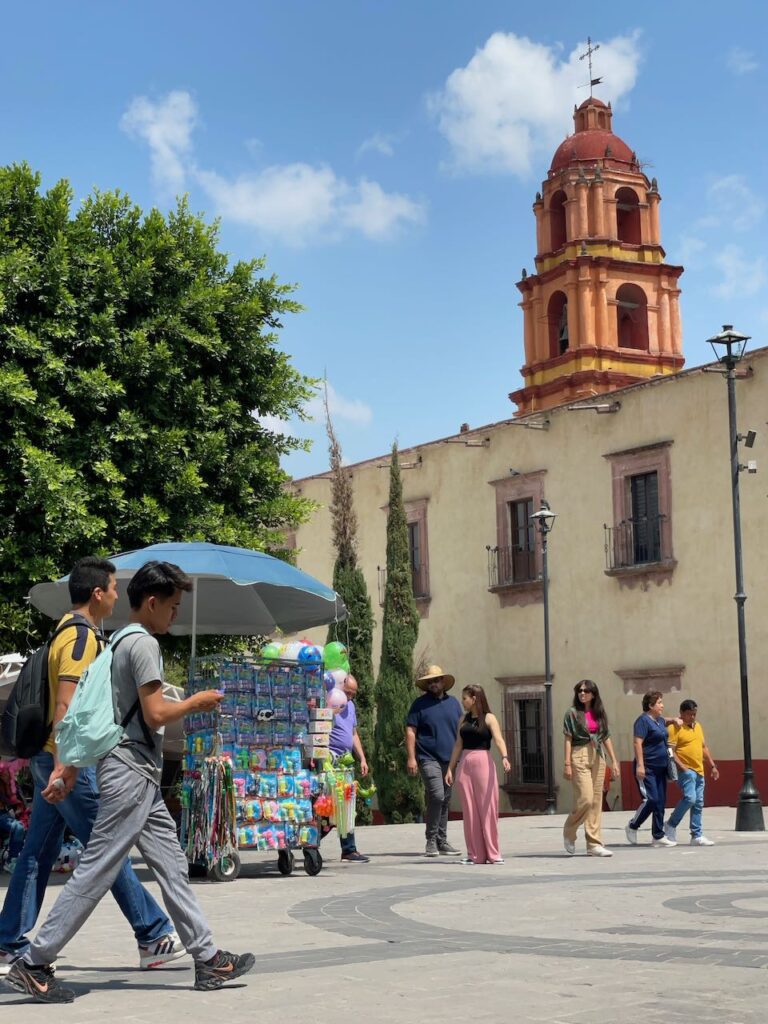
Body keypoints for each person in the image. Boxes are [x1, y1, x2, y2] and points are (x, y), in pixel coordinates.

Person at [6, 561, 255, 1004]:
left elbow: (98, 717)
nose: (175, 615)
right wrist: (195, 702)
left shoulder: (117, 640)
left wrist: (72, 769)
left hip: (132, 770)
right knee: (99, 866)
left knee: (172, 864)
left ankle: (207, 957)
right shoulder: (142, 646)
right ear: (153, 602)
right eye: (173, 607)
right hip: (131, 772)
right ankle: (34, 962)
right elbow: (155, 713)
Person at [0, 557, 181, 976]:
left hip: (51, 757)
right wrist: (69, 767)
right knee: (108, 850)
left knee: (36, 852)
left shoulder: (64, 631)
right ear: (97, 593)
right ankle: (152, 933)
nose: (118, 595)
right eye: (114, 587)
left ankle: (9, 939)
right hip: (65, 760)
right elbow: (68, 707)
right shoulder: (81, 640)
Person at [445, 684, 510, 865]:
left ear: (474, 698)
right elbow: (458, 744)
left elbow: (498, 739)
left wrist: (505, 757)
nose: (463, 701)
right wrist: (450, 768)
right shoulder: (463, 719)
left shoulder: (489, 718)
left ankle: (493, 854)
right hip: (465, 764)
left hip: (483, 762)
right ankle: (475, 855)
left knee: (487, 808)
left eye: (465, 698)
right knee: (470, 811)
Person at [406, 665, 463, 858]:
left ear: (443, 683)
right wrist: (412, 757)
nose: (433, 684)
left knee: (445, 800)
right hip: (427, 757)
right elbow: (411, 731)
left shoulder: (454, 704)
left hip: (450, 759)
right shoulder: (419, 705)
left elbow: (460, 731)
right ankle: (431, 839)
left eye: (436, 680)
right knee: (437, 795)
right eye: (430, 681)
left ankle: (442, 840)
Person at [562, 679, 621, 858]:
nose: (582, 693)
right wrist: (566, 763)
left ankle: (594, 844)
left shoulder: (599, 713)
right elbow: (568, 738)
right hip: (579, 753)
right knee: (585, 799)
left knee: (596, 801)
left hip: (598, 755)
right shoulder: (572, 713)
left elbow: (606, 737)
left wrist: (614, 761)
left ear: (593, 694)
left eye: (586, 691)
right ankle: (569, 832)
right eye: (579, 690)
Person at [625, 690, 680, 848]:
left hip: (661, 768)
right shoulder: (642, 721)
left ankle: (658, 835)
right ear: (650, 705)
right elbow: (637, 743)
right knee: (651, 799)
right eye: (659, 703)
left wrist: (675, 720)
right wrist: (640, 765)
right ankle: (632, 826)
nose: (662, 705)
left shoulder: (659, 721)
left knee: (661, 801)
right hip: (647, 768)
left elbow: (665, 721)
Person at [664, 699, 719, 847]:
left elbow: (703, 747)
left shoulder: (698, 727)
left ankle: (696, 835)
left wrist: (712, 766)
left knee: (699, 803)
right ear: (681, 713)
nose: (693, 717)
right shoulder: (675, 728)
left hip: (699, 770)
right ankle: (670, 825)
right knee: (690, 798)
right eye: (689, 714)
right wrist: (683, 768)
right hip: (686, 771)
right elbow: (670, 750)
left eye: (694, 714)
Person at [328, 674, 370, 863]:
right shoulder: (330, 700)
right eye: (348, 693)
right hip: (331, 761)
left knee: (346, 805)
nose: (350, 697)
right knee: (330, 806)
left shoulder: (350, 705)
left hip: (347, 761)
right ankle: (310, 844)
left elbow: (353, 734)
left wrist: (362, 758)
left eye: (353, 694)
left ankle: (349, 849)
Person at [0, 772, 25, 871]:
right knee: (17, 827)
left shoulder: (9, 782)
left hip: (4, 813)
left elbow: (19, 801)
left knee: (19, 827)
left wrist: (8, 782)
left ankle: (12, 860)